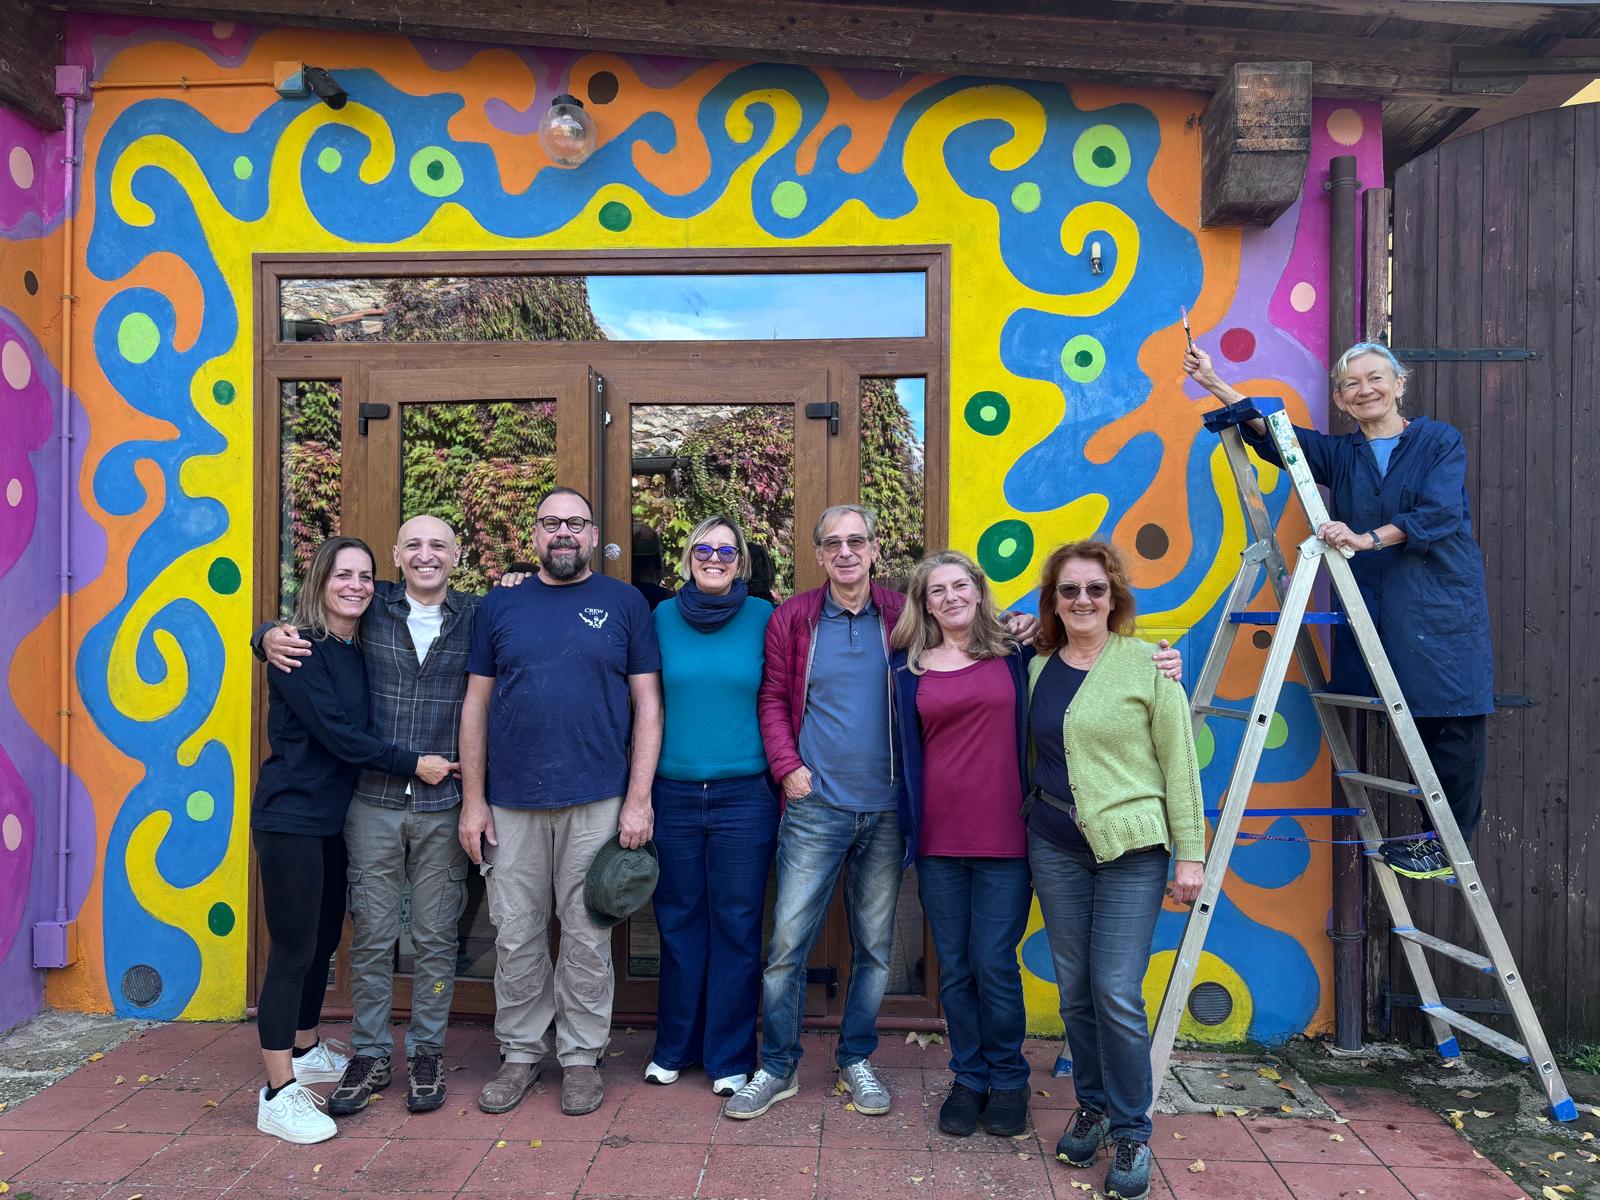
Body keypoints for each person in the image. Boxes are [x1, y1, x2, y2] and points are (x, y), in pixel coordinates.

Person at [727, 505, 1046, 1122]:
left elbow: (969, 639)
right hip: (814, 805)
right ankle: (779, 1065)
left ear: (875, 550)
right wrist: (786, 766)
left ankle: (856, 1058)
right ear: (819, 554)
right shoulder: (794, 617)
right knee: (788, 943)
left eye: (857, 541)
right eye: (833, 543)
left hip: (891, 809)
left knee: (875, 949)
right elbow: (772, 696)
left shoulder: (904, 616)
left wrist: (1017, 624)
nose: (846, 552)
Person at [1184, 342, 1493, 879]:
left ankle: (1446, 845)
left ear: (1400, 384)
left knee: (1454, 720)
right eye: (1352, 384)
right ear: (1341, 399)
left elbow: (1439, 513)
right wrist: (1214, 382)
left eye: (1376, 378)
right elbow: (1280, 439)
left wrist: (1364, 538)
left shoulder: (1440, 441)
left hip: (1439, 605)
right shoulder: (1340, 453)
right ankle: (1433, 841)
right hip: (1379, 610)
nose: (1365, 389)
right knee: (1405, 720)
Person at [256, 515, 480, 1118]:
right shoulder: (365, 613)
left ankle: (424, 1052)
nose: (426, 555)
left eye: (439, 544)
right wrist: (264, 635)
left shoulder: (480, 616)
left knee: (430, 938)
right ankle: (365, 1054)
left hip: (433, 808)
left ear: (458, 555)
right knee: (367, 939)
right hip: (362, 806)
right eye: (413, 545)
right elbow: (307, 642)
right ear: (397, 555)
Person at [459, 486, 663, 1118]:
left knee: (585, 935)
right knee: (516, 935)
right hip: (511, 801)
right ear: (536, 534)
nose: (564, 533)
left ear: (593, 532)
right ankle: (520, 1053)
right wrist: (473, 800)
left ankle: (580, 1057)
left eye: (575, 522)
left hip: (598, 798)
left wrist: (638, 800)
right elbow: (475, 705)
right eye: (552, 524)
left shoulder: (625, 602)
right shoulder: (499, 606)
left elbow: (648, 706)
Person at [1029, 540, 1204, 1200]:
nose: (1081, 601)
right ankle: (1093, 1108)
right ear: (1053, 599)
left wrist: (1190, 854)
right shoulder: (1039, 666)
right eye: (1069, 590)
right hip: (1054, 846)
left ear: (1114, 597)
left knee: (1116, 993)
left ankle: (1132, 1132)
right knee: (1075, 990)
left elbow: (1180, 765)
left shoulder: (1149, 665)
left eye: (1094, 590)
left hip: (1133, 850)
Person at [888, 551, 1034, 1139]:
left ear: (978, 589)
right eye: (935, 591)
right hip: (939, 839)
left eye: (959, 585)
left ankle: (1009, 1078)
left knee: (993, 963)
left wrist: (1162, 660)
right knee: (953, 968)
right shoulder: (908, 667)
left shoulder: (1017, 652)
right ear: (923, 603)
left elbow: (1089, 654)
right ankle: (968, 1076)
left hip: (1007, 835)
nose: (949, 597)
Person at [641, 514, 776, 1097]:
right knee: (677, 923)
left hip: (745, 794)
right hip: (671, 792)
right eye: (704, 548)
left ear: (740, 561)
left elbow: (784, 699)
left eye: (727, 550)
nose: (715, 558)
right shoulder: (660, 617)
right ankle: (674, 1047)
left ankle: (728, 1055)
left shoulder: (765, 618)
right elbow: (645, 706)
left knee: (739, 925)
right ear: (687, 556)